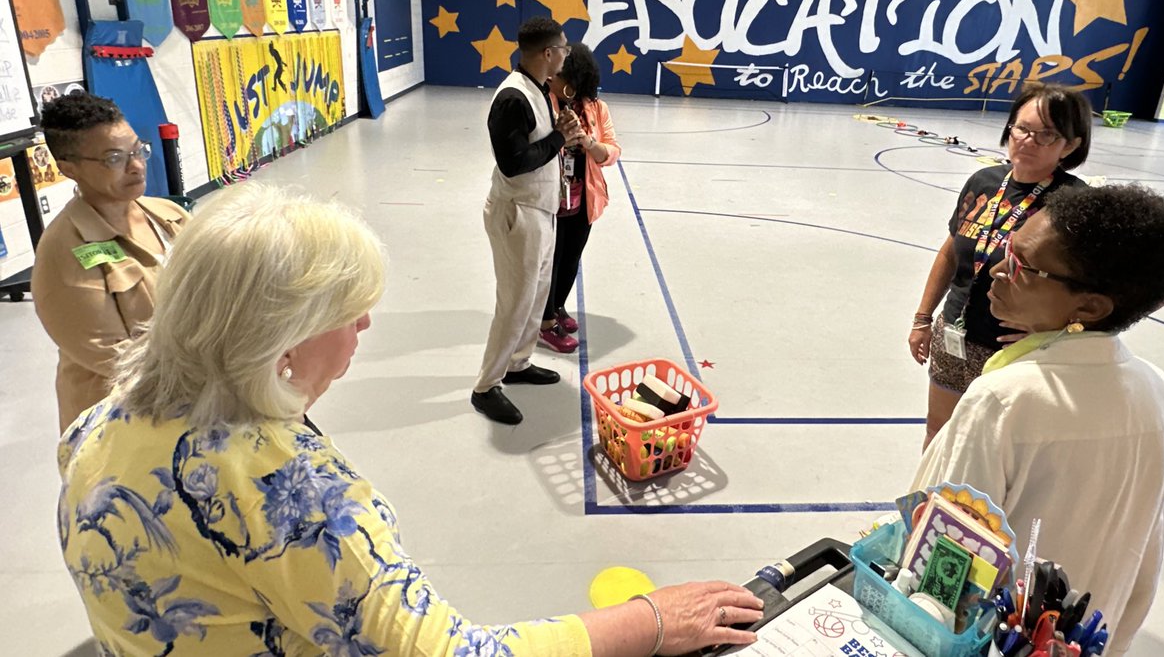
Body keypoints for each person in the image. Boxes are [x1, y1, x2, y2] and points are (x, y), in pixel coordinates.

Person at [58, 184, 764, 656]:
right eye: (346, 312)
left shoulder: (98, 423)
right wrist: (653, 619)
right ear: (280, 343)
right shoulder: (293, 494)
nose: (365, 322)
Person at [912, 184, 1164, 655]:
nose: (998, 271)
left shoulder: (1004, 399)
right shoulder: (1156, 388)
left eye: (1022, 267)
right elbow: (1144, 555)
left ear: (1089, 307)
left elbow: (939, 570)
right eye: (1006, 251)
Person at [908, 83, 1092, 448]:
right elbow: (951, 252)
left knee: (995, 449)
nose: (1028, 140)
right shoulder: (984, 182)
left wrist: (1057, 335)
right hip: (954, 336)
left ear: (1069, 145)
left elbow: (1093, 286)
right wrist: (923, 318)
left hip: (1015, 350)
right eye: (1022, 128)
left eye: (1046, 135)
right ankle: (932, 505)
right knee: (938, 434)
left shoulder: (1072, 202)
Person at [31, 92, 190, 433]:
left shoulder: (170, 216)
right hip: (124, 424)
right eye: (114, 158)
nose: (136, 165)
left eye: (137, 150)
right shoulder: (65, 250)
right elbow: (118, 359)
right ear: (68, 168)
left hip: (194, 401)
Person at [473, 16, 584, 426]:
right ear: (548, 53)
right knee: (515, 302)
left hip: (540, 210)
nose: (567, 55)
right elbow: (514, 163)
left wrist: (559, 132)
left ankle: (518, 363)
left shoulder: (540, 90)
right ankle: (486, 386)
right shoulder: (511, 98)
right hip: (517, 213)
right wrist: (560, 139)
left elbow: (539, 143)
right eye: (564, 49)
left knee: (537, 295)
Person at [538, 43, 623, 353]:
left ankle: (556, 307)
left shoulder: (595, 109)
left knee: (571, 257)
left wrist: (587, 141)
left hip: (582, 197)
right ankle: (543, 323)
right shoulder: (543, 102)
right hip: (549, 199)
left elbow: (611, 151)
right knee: (550, 262)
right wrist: (559, 134)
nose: (550, 77)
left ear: (573, 81)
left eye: (558, 74)